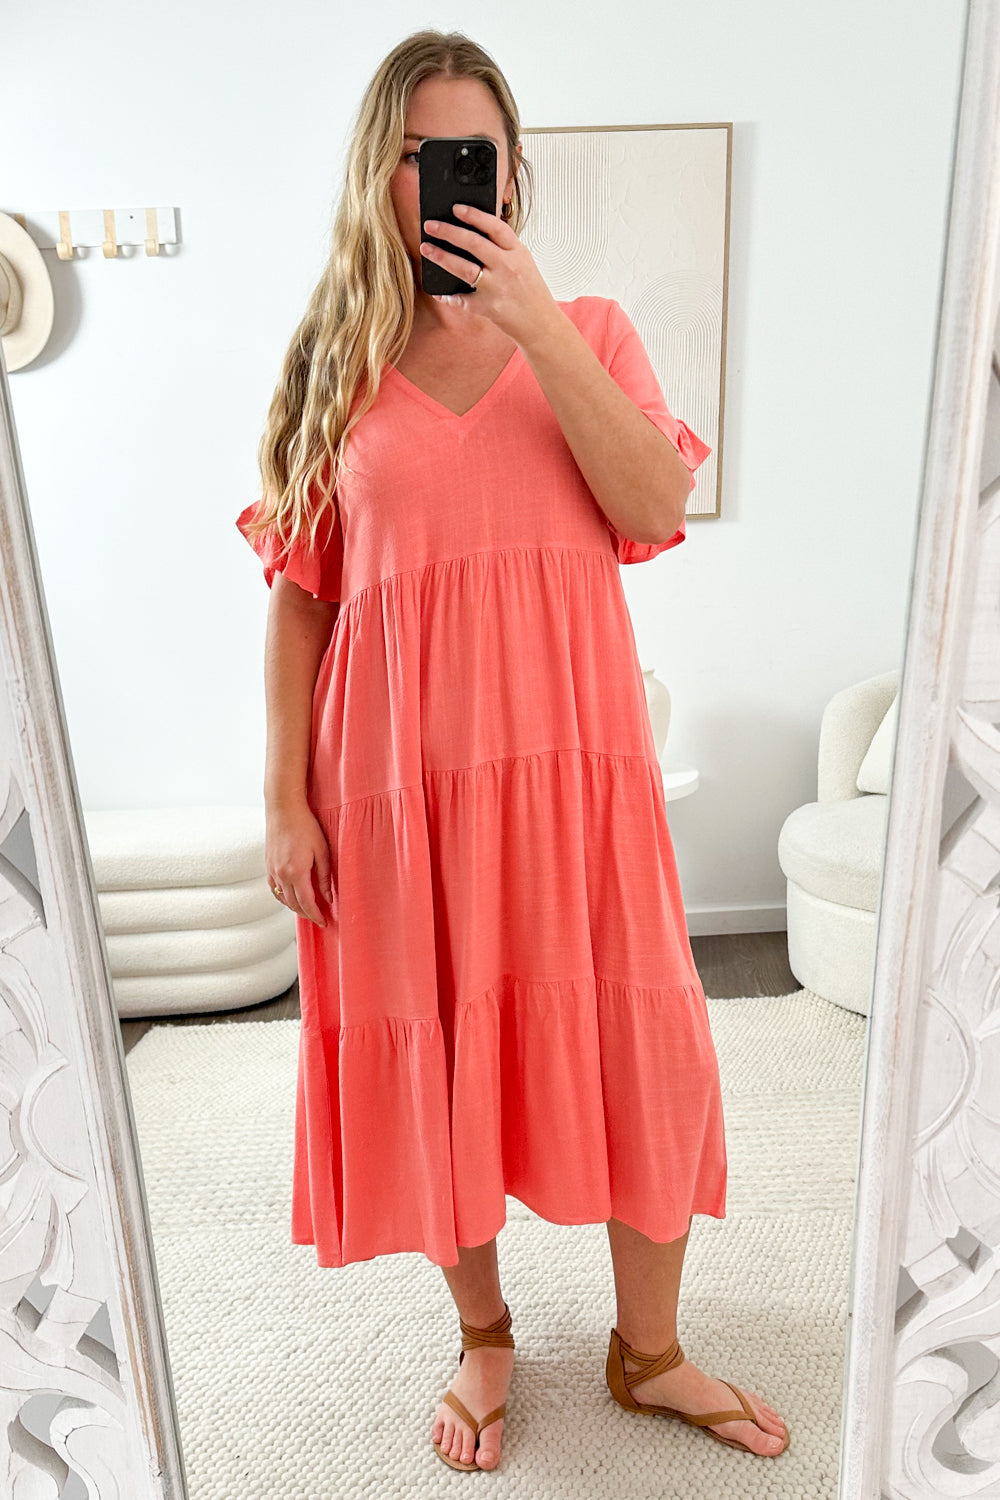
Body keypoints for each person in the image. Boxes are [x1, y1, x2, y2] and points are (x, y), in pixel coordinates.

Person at [236, 27, 789, 1476]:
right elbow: (300, 601)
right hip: (396, 793)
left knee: (643, 1037)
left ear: (513, 170)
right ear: (381, 171)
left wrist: (537, 324)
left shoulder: (589, 329)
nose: (447, 176)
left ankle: (648, 1352)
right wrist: (284, 798)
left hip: (575, 779)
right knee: (439, 1058)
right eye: (421, 152)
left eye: (473, 151)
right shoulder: (335, 365)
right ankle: (484, 1336)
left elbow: (654, 502)